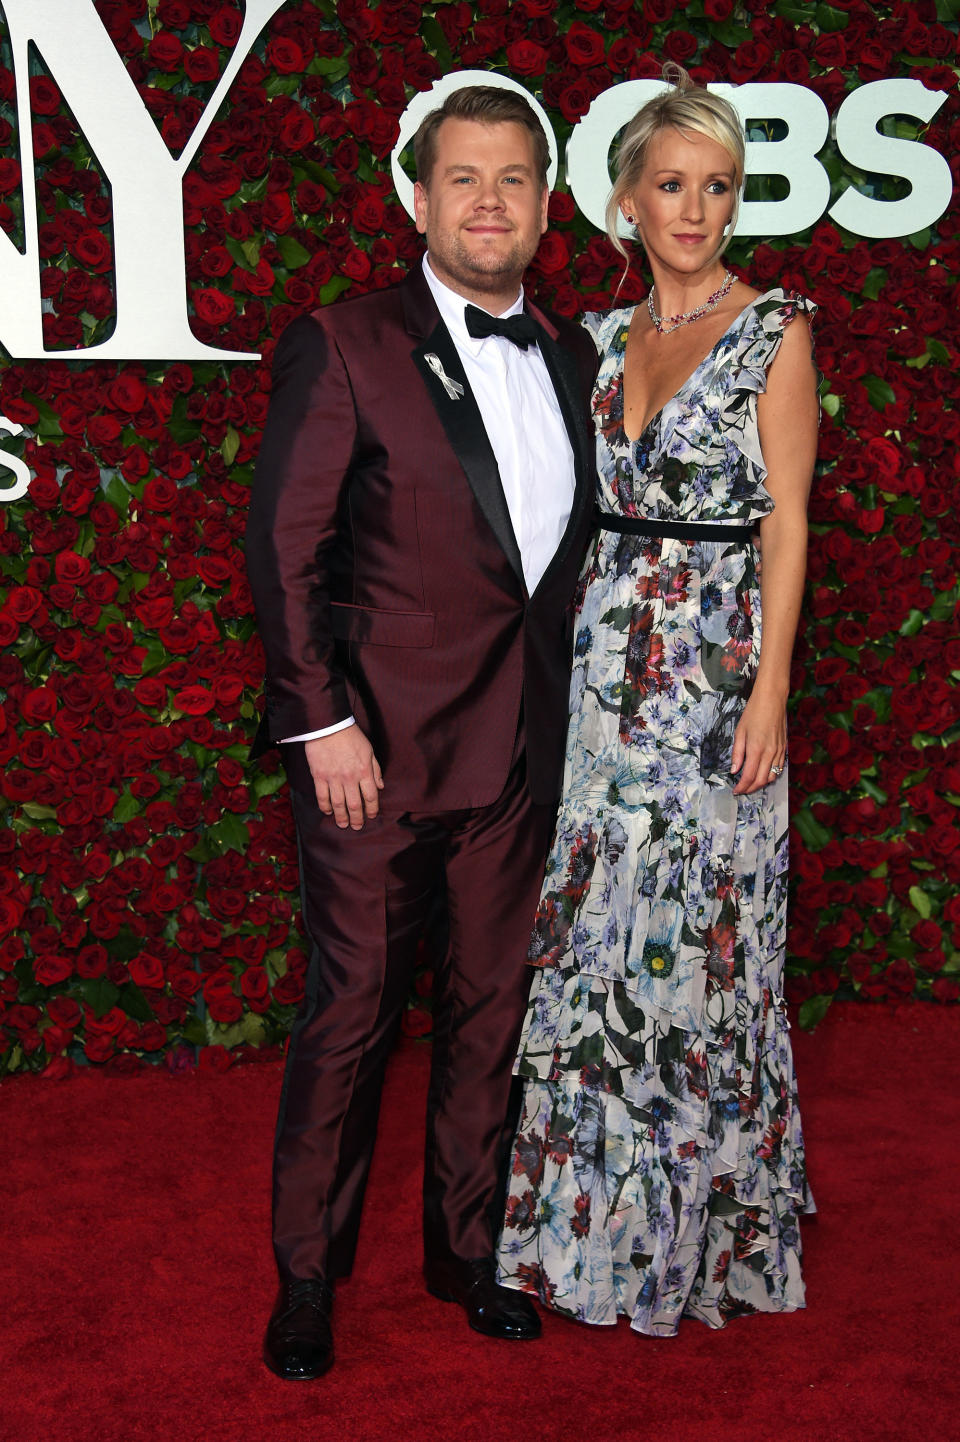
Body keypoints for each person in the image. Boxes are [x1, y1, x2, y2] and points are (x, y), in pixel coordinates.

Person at [245, 85, 598, 1379]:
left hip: (517, 757)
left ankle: (467, 1252)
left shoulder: (571, 353)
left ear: (545, 205)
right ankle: (307, 1278)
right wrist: (321, 719)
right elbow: (283, 548)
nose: (490, 201)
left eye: (514, 178)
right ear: (418, 196)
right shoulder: (344, 342)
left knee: (491, 1015)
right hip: (372, 761)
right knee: (351, 1019)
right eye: (465, 178)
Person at [497, 69, 819, 1336]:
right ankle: (581, 1236)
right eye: (672, 185)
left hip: (712, 677)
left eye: (719, 187)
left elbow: (788, 522)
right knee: (595, 942)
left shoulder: (774, 326)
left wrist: (772, 690)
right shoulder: (594, 334)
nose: (696, 209)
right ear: (624, 200)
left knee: (697, 955)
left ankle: (690, 1244)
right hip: (602, 673)